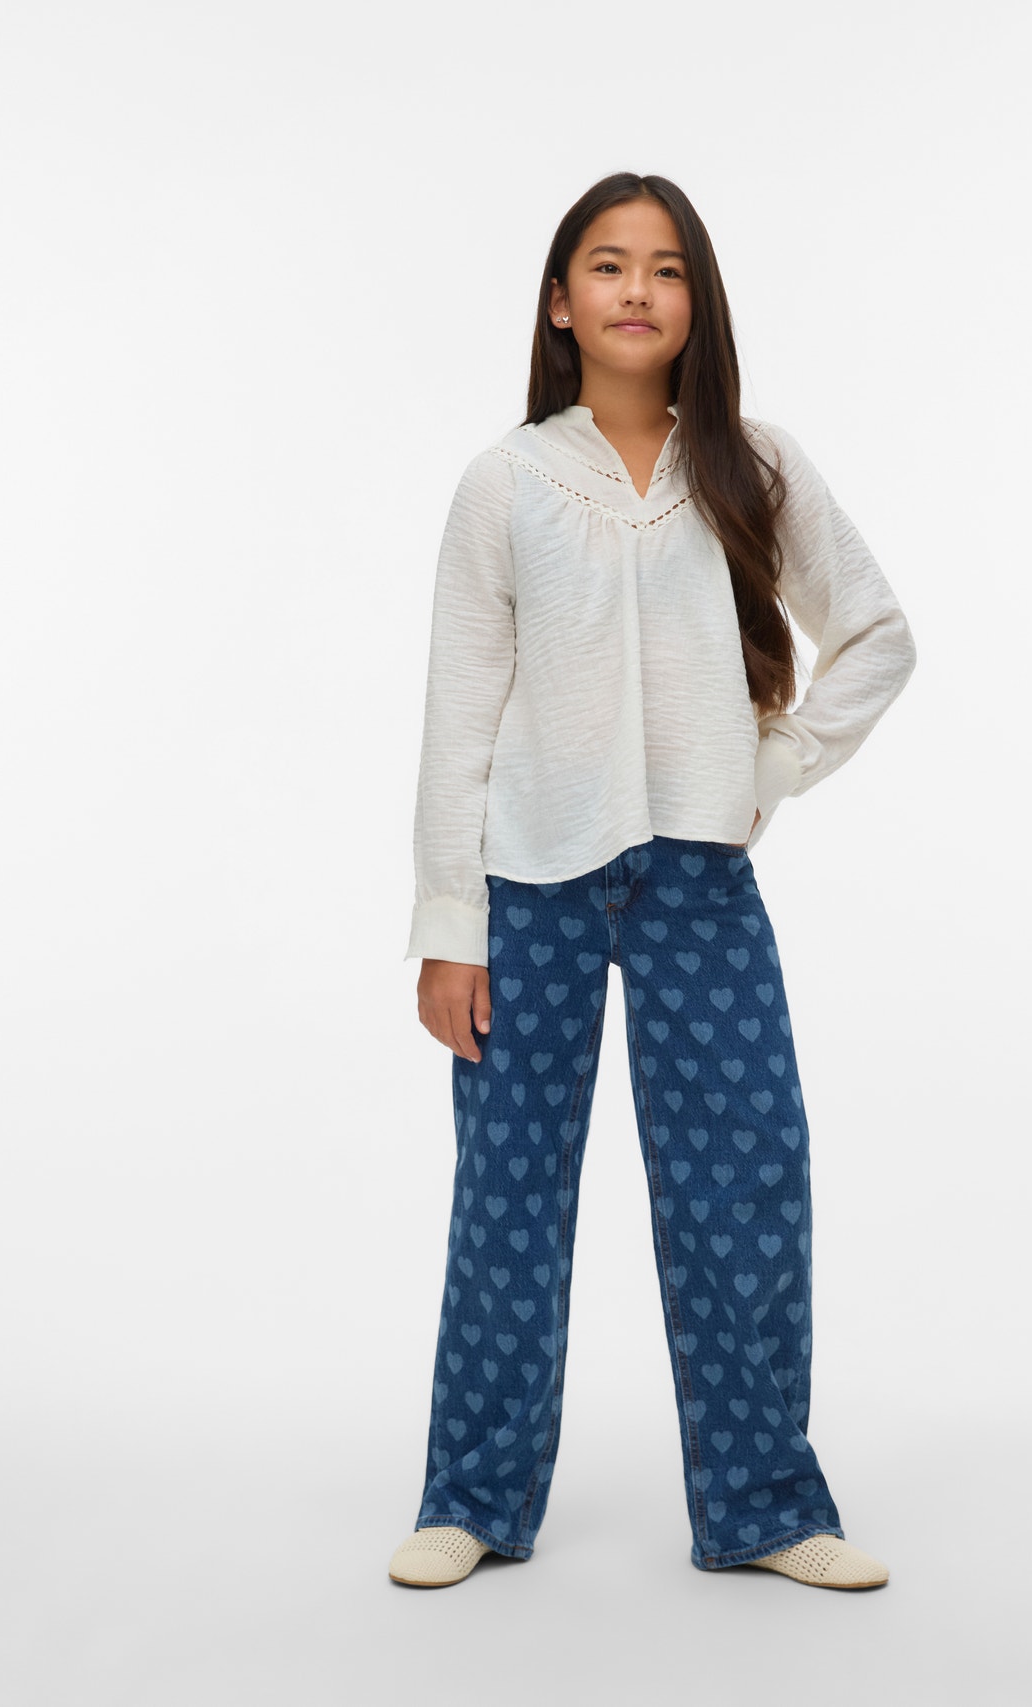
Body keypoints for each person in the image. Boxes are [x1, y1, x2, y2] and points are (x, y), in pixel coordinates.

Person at [387, 172, 916, 1591]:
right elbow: (459, 712)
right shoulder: (505, 482)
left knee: (746, 1186)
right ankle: (471, 1497)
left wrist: (774, 764)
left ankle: (765, 1506)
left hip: (698, 885)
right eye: (608, 265)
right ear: (561, 302)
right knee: (508, 1198)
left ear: (697, 302)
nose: (637, 289)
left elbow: (876, 634)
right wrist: (448, 926)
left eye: (667, 268)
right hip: (529, 888)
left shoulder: (755, 464)